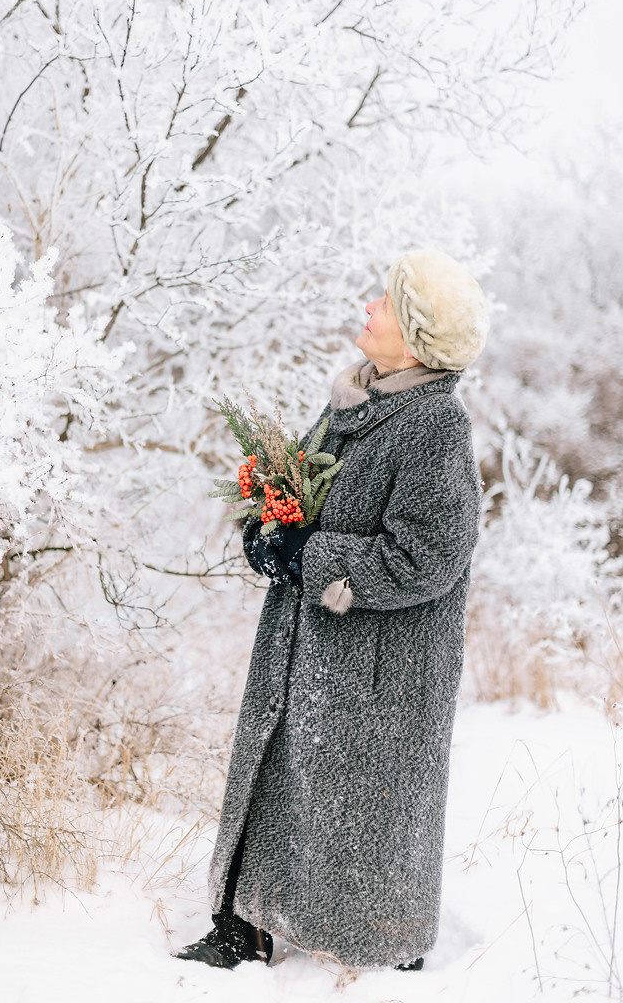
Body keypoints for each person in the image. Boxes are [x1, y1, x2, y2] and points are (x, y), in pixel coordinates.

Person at [176, 249, 489, 971]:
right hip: (305, 642)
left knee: (364, 805)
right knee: (277, 768)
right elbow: (291, 502)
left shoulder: (434, 426)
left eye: (383, 301)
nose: (366, 305)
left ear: (412, 336)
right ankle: (244, 925)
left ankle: (379, 946)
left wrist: (308, 556)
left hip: (380, 670)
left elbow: (425, 559)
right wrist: (265, 532)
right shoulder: (354, 404)